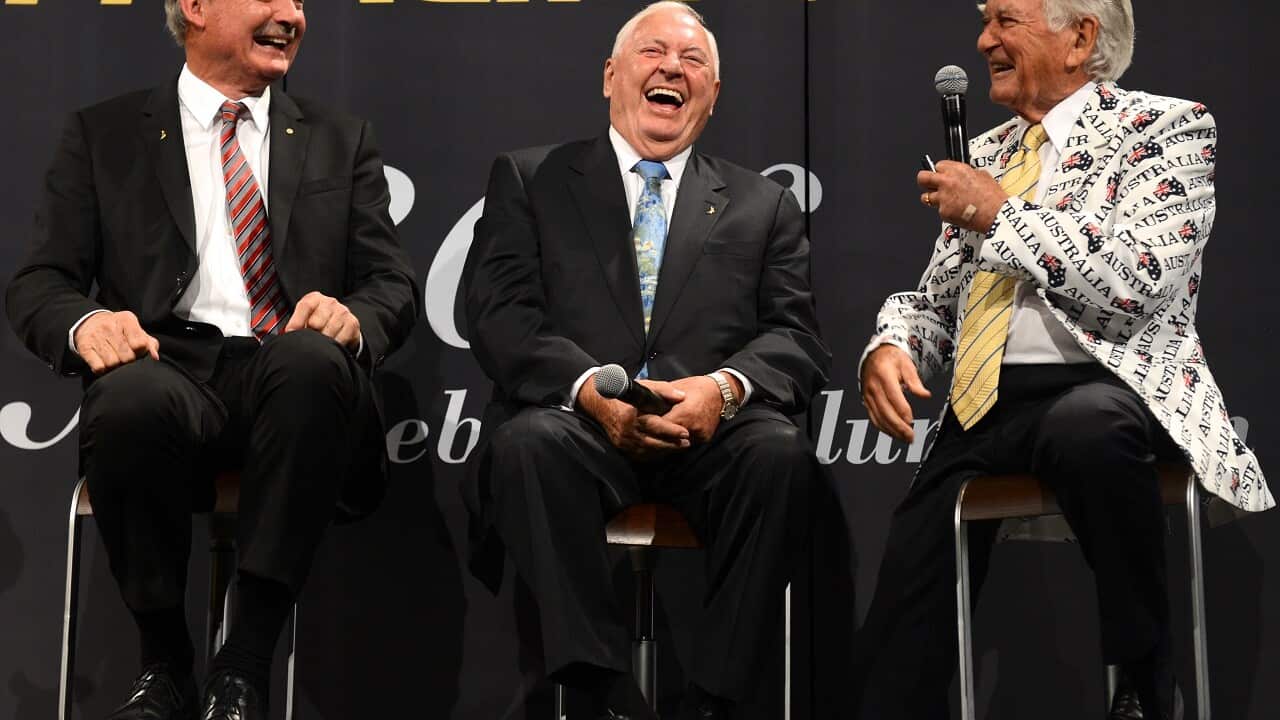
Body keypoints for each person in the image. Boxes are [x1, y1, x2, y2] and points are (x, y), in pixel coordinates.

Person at [854, 1, 1273, 718]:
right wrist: (892, 342)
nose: (984, 39)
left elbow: (1136, 281)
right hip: (985, 405)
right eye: (985, 21)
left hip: (1109, 383)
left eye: (1006, 20)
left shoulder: (1165, 127)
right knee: (910, 574)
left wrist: (1000, 214)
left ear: (1079, 38)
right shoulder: (988, 155)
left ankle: (1142, 680)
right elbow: (937, 298)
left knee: (1090, 426)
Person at [5, 1, 418, 718]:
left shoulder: (338, 140)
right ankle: (164, 664)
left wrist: (355, 319)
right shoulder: (103, 135)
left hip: (286, 374)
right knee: (128, 398)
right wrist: (86, 325)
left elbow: (391, 284)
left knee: (313, 364)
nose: (292, 14)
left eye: (299, 2)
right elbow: (40, 282)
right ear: (195, 7)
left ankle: (244, 661)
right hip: (165, 366)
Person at [461, 2, 830, 718]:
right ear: (611, 76)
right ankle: (604, 688)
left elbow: (797, 338)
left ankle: (714, 699)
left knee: (781, 455)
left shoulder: (765, 204)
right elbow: (500, 315)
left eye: (693, 61)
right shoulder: (531, 178)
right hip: (581, 424)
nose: (672, 69)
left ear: (714, 94)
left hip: (709, 435)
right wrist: (589, 393)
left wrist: (723, 391)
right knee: (528, 445)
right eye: (653, 52)